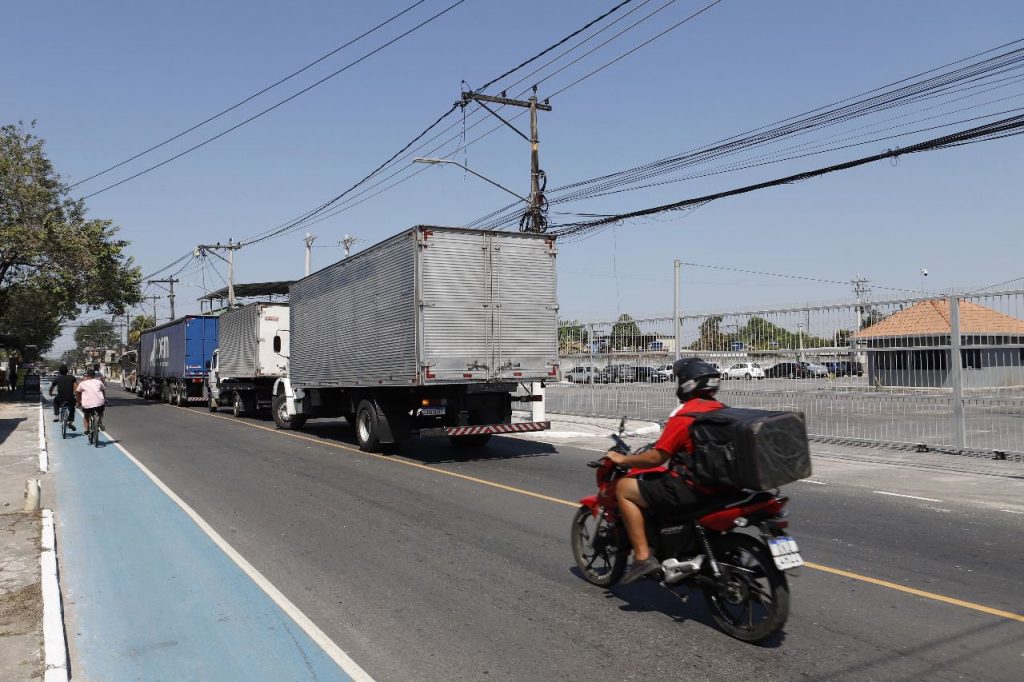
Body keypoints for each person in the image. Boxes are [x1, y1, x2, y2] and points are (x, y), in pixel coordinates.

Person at [605, 357, 725, 584]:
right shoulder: (722, 410)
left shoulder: (686, 416)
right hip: (720, 487)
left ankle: (642, 557)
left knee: (624, 488)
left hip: (691, 489)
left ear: (687, 385)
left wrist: (624, 458)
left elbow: (656, 457)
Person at [76, 369, 106, 435]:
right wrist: (104, 399)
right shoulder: (99, 382)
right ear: (94, 375)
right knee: (101, 412)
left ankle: (86, 429)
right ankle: (100, 421)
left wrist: (79, 402)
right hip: (99, 403)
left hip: (87, 404)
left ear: (87, 375)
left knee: (86, 416)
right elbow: (103, 391)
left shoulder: (82, 383)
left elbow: (78, 392)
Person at [48, 365, 78, 430]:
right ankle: (70, 421)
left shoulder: (57, 379)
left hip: (60, 397)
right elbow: (76, 388)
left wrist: (50, 393)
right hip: (70, 397)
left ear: (59, 372)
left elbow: (51, 388)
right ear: (67, 371)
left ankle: (56, 416)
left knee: (55, 401)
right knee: (72, 407)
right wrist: (75, 395)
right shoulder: (72, 378)